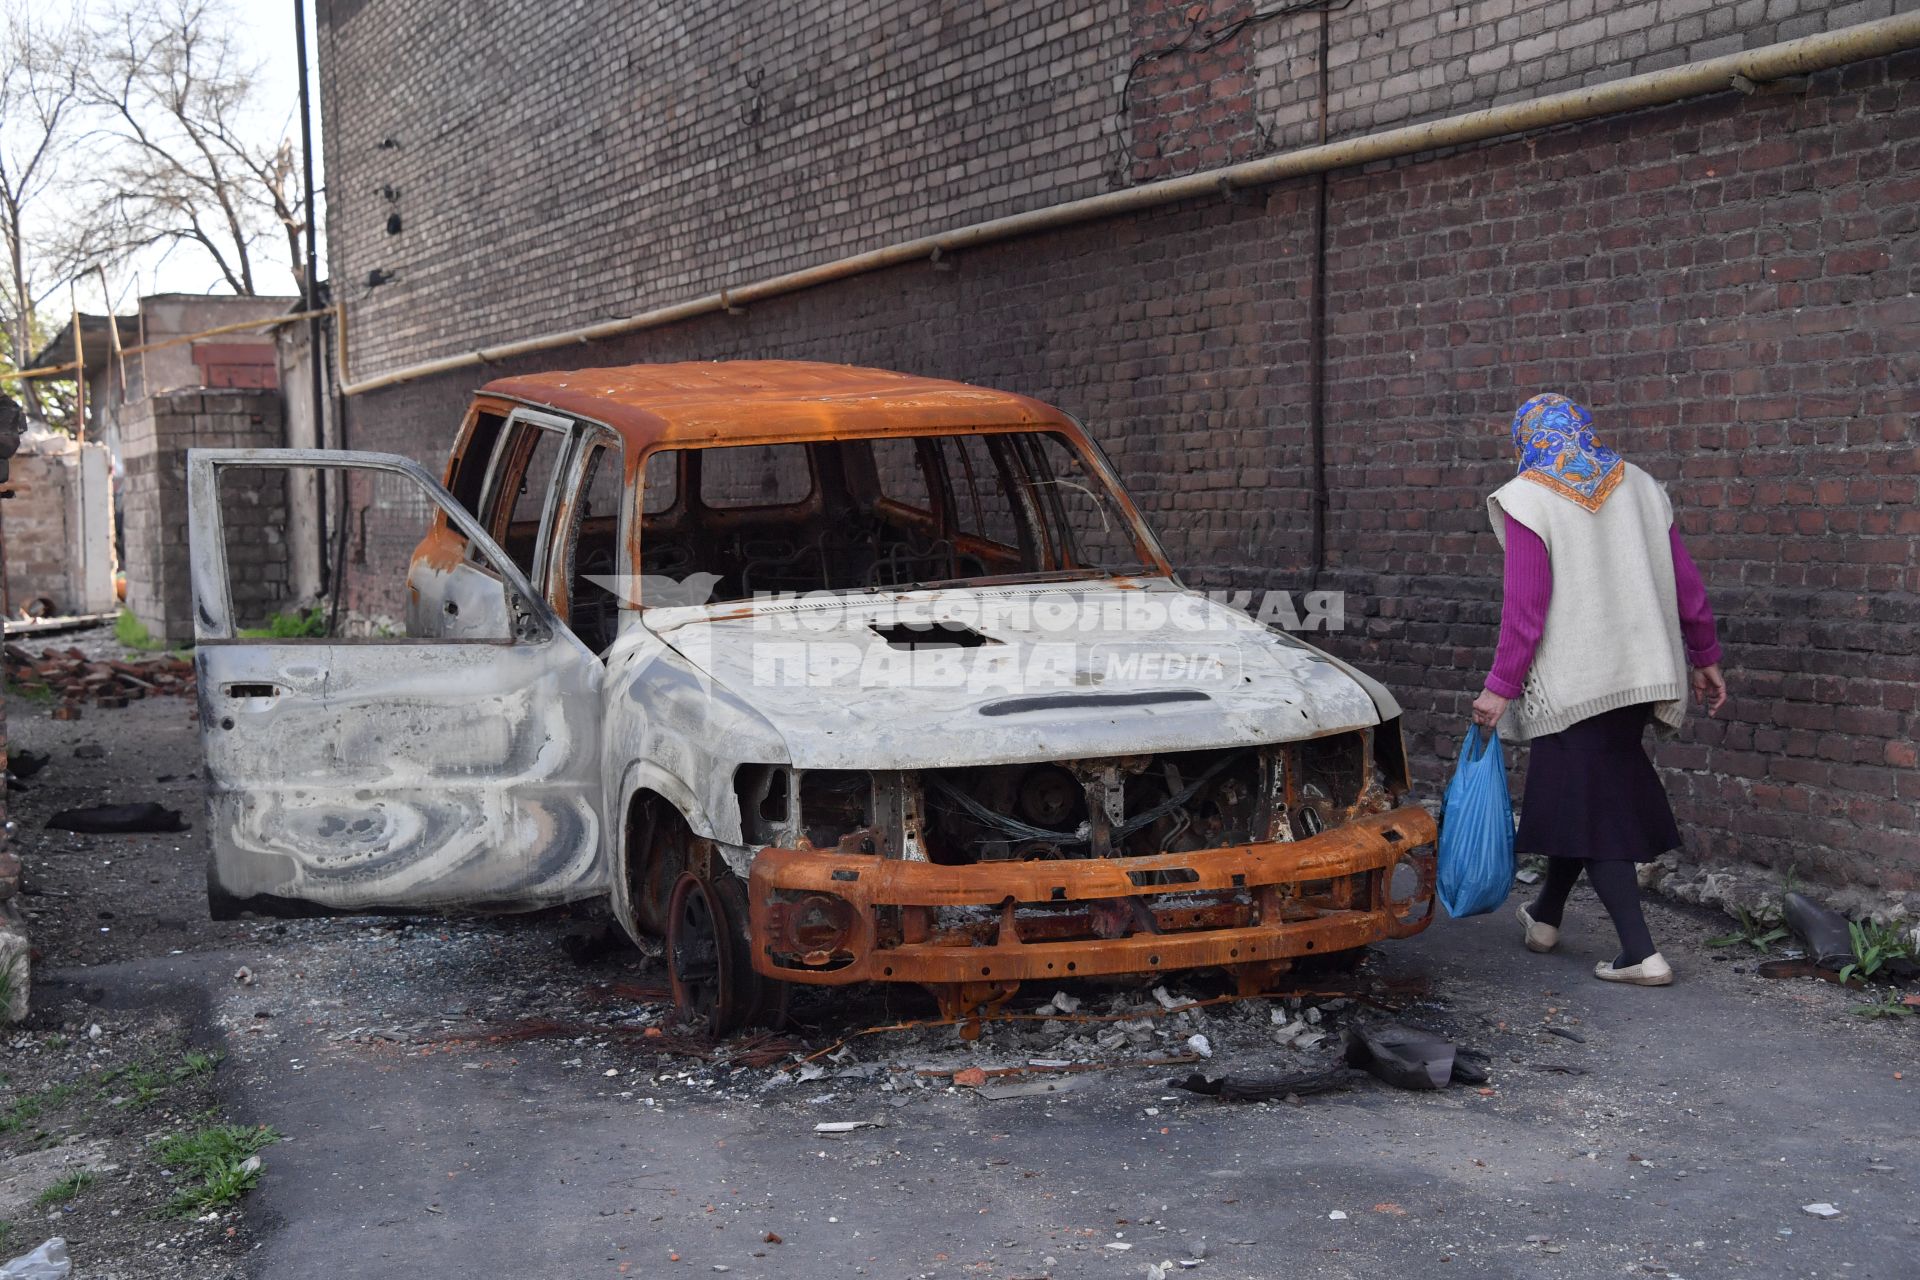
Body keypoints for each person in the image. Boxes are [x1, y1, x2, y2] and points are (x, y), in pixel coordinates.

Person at [1470, 393, 1727, 987]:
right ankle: (1545, 917)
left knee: (1592, 803)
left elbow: (1526, 606)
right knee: (1583, 793)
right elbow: (1685, 579)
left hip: (1576, 683)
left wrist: (1500, 686)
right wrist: (1705, 653)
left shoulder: (1527, 497)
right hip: (1639, 673)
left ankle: (1640, 952)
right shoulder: (1638, 483)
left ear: (1525, 440)